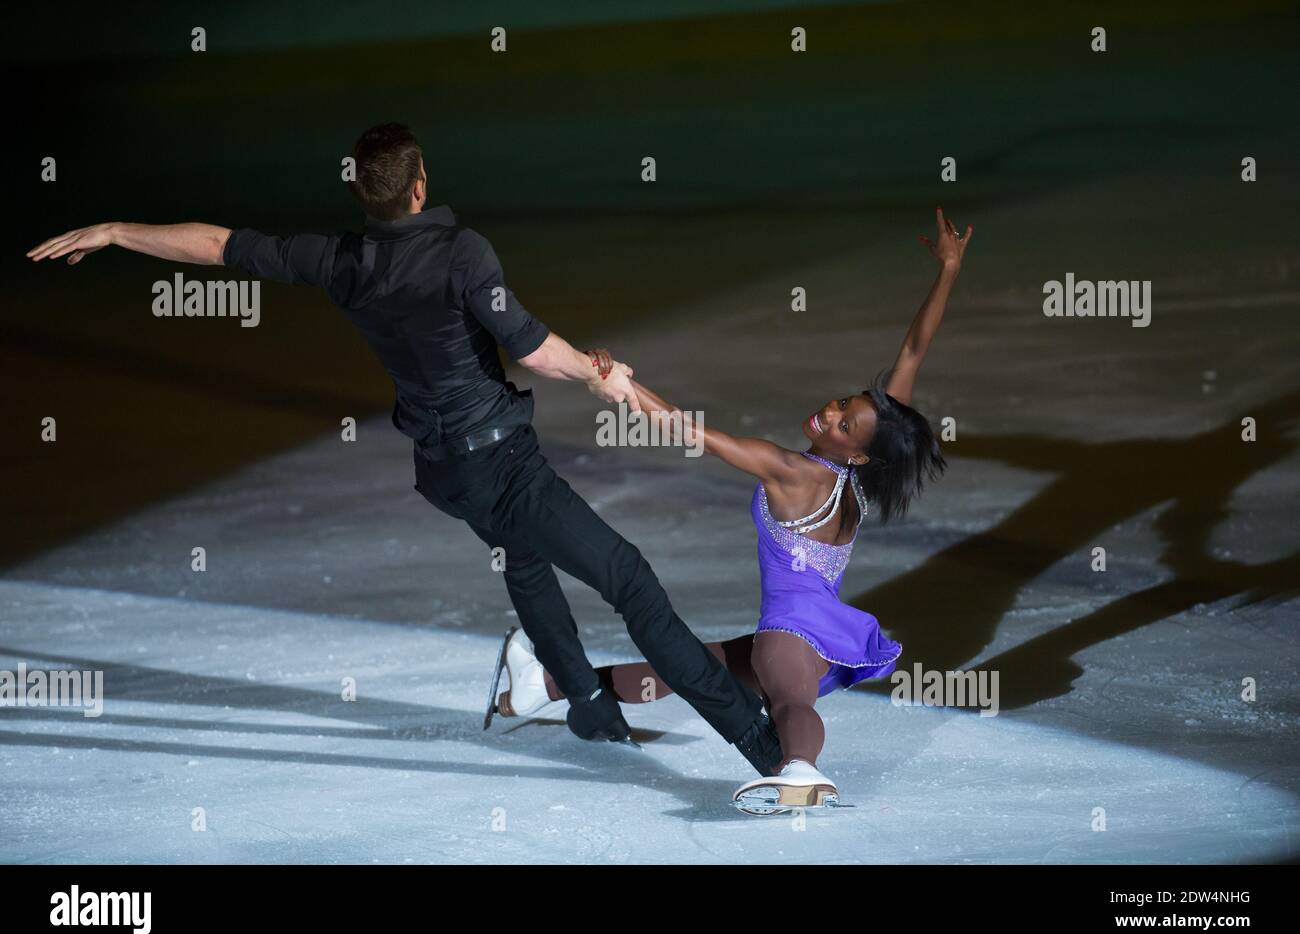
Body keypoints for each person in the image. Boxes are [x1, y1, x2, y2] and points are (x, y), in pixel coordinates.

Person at [25, 122, 784, 780]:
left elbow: (219, 245)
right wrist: (598, 372)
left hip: (445, 473)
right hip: (500, 466)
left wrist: (120, 230)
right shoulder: (461, 252)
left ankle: (587, 702)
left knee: (523, 556)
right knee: (631, 578)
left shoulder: (341, 260)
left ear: (365, 192)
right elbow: (530, 351)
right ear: (420, 186)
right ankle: (757, 741)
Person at [494, 207, 969, 812]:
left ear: (860, 452)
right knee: (680, 667)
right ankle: (545, 685)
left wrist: (615, 382)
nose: (829, 413)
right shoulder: (860, 468)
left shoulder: (792, 470)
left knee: (791, 704)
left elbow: (690, 431)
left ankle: (799, 770)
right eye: (842, 402)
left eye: (843, 422)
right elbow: (912, 351)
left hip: (789, 636)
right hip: (816, 630)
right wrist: (948, 270)